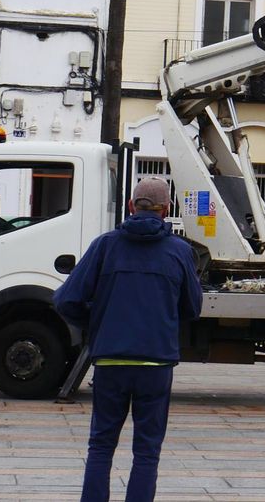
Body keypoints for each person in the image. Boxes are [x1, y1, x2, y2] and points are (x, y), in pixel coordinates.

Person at [54, 178, 202, 502]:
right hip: (156, 363)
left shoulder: (104, 246)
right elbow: (193, 308)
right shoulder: (180, 252)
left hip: (110, 360)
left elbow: (65, 300)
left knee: (101, 445)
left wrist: (97, 324)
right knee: (147, 451)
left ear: (132, 206)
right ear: (166, 211)